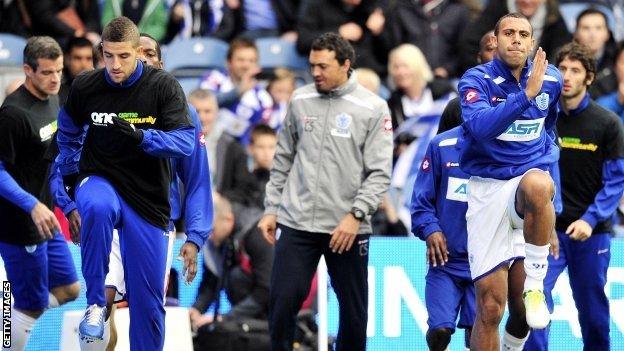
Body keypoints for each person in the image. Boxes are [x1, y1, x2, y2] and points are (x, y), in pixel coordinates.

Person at [55, 17, 195, 351]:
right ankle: (94, 304)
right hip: (100, 180)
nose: (115, 65)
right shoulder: (86, 87)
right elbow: (67, 136)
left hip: (147, 198)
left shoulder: (163, 86)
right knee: (97, 205)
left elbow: (186, 142)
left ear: (137, 52)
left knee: (147, 307)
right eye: (109, 56)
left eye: (124, 57)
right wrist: (73, 186)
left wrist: (142, 137)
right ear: (101, 52)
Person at [258, 32, 393, 351]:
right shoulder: (300, 100)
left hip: (346, 226)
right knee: (281, 305)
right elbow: (283, 158)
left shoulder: (372, 107)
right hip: (297, 221)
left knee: (354, 313)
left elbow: (379, 172)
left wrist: (356, 215)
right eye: (312, 65)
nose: (315, 72)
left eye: (323, 66)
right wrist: (272, 208)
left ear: (346, 65)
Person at [457, 13, 563, 350]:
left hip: (527, 189)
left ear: (532, 42)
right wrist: (525, 96)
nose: (516, 39)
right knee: (491, 307)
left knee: (538, 185)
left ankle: (535, 282)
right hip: (487, 188)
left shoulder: (552, 80)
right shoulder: (476, 80)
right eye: (508, 33)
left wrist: (552, 212)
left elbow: (549, 131)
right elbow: (481, 128)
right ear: (497, 40)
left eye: (523, 34)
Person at [525, 42, 624, 351]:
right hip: (546, 232)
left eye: (576, 71)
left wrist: (590, 219)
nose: (567, 76)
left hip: (589, 234)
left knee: (594, 316)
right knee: (536, 310)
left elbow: (616, 180)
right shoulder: (543, 119)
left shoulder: (607, 123)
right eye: (562, 69)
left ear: (589, 78)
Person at [0, 36, 80, 351]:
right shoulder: (12, 115)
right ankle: (13, 327)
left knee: (71, 289)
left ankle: (15, 317)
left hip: (46, 219)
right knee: (29, 306)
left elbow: (51, 161)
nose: (55, 78)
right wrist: (32, 205)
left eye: (59, 71)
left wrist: (68, 206)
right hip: (18, 224)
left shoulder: (53, 98)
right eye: (46, 72)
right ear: (27, 71)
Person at [410, 113, 474, 351]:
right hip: (445, 262)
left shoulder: (503, 149)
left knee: (478, 335)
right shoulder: (441, 146)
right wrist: (431, 230)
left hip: (485, 264)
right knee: (440, 330)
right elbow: (420, 203)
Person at [190, 194, 273, 329]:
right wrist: (196, 309)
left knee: (236, 277)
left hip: (273, 305)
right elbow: (211, 282)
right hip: (254, 301)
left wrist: (224, 318)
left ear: (228, 220)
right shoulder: (216, 240)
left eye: (212, 231)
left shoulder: (257, 232)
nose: (208, 238)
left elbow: (266, 289)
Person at [199, 37, 273, 145]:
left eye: (251, 61)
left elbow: (258, 138)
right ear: (228, 62)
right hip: (206, 144)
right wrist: (239, 91)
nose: (246, 65)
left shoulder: (264, 99)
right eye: (241, 60)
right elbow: (204, 102)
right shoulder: (213, 79)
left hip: (240, 154)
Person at [59, 36, 95, 104]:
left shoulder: (104, 93)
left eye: (89, 58)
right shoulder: (56, 96)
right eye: (78, 58)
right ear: (67, 60)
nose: (83, 64)